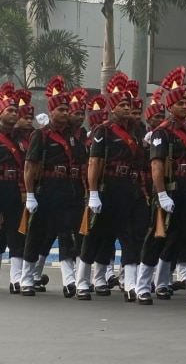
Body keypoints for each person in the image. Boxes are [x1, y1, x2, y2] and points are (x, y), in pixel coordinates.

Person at [136, 66, 186, 307]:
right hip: (169, 190)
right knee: (157, 238)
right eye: (179, 104)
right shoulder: (164, 133)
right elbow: (157, 166)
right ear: (170, 107)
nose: (184, 107)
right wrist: (161, 194)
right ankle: (142, 286)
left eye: (185, 103)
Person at [77, 73, 149, 301]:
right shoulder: (103, 131)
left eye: (129, 104)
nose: (127, 108)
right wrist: (94, 193)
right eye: (123, 105)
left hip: (129, 188)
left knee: (128, 237)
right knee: (96, 235)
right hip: (107, 187)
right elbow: (94, 163)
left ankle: (130, 285)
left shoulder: (136, 132)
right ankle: (82, 282)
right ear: (112, 108)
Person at [20, 76, 79, 297]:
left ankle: (69, 280)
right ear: (51, 111)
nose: (66, 113)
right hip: (46, 189)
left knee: (66, 235)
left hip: (66, 190)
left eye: (67, 109)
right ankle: (26, 279)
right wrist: (30, 195)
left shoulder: (72, 137)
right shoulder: (40, 135)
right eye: (62, 109)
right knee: (36, 235)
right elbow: (29, 166)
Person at [0, 84, 25, 294]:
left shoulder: (21, 138)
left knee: (16, 233)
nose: (14, 114)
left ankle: (16, 278)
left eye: (16, 111)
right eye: (10, 110)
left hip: (15, 189)